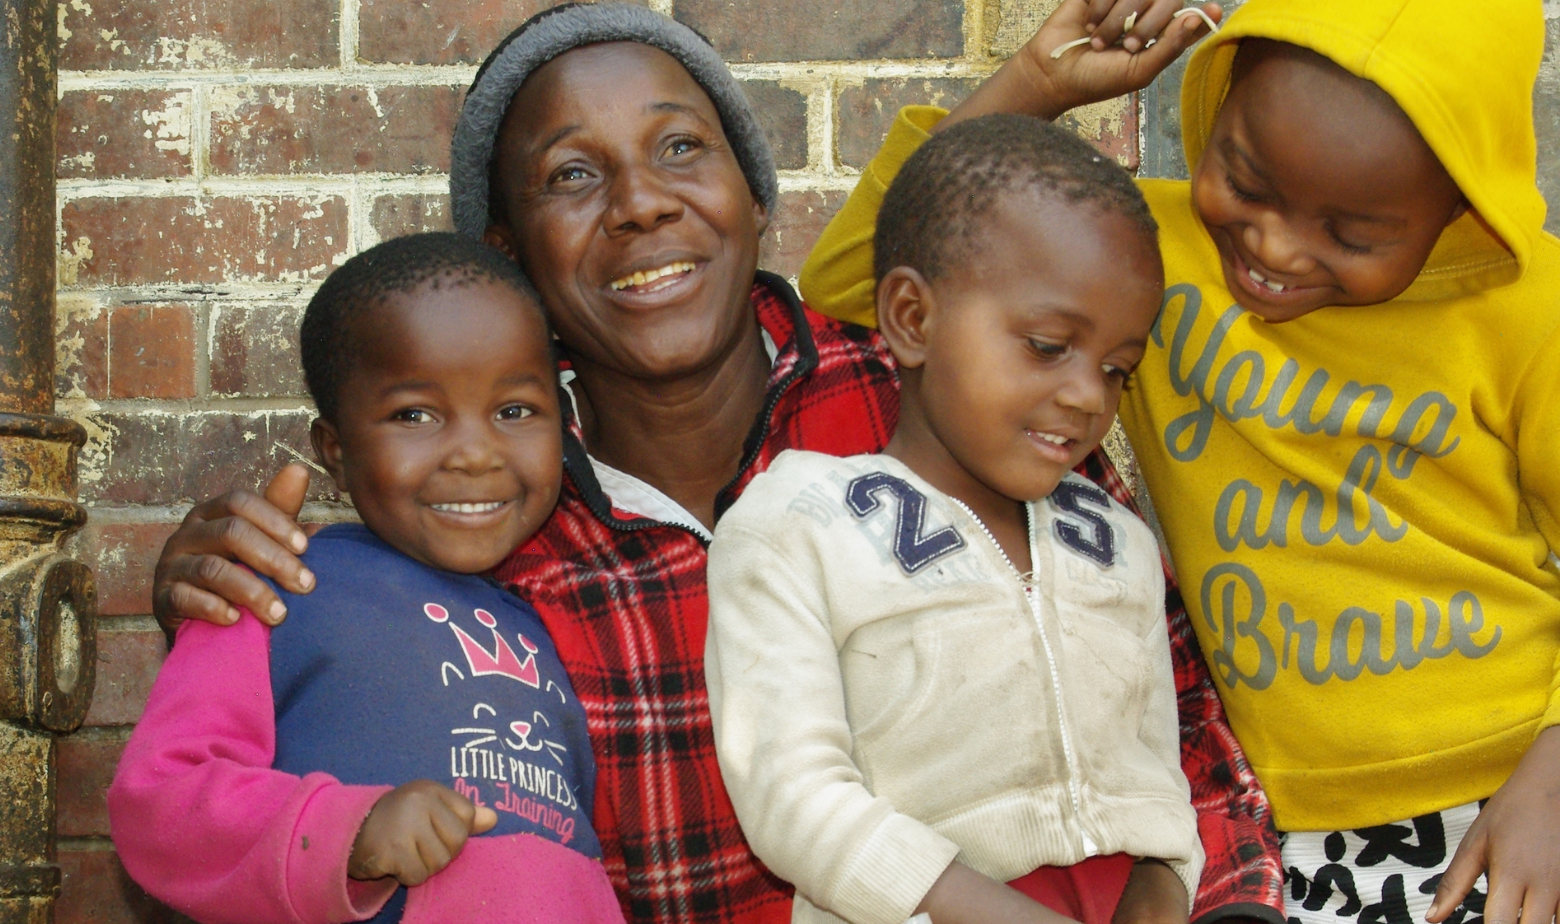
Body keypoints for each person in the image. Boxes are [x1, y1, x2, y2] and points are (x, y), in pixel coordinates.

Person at [140, 5, 1282, 924]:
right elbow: (284, 768)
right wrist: (219, 609)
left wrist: (1225, 908)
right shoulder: (478, 518)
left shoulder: (935, 400)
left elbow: (1165, 705)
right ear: (508, 258)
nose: (641, 203)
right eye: (570, 178)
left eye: (680, 149)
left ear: (750, 194)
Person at [798, 1, 1560, 923]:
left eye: (1353, 236)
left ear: (1460, 204)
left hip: (1512, 800)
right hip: (1275, 830)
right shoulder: (1146, 259)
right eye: (1245, 180)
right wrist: (1033, 86)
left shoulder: (1528, 314)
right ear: (1218, 101)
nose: (1275, 246)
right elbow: (850, 278)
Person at [707, 114, 1200, 924]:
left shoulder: (1121, 544)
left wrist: (1164, 887)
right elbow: (790, 796)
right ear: (912, 318)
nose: (1087, 396)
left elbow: (1159, 780)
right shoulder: (798, 525)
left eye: (1118, 369)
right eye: (1047, 345)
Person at [108, 233, 626, 924]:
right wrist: (348, 832)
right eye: (415, 415)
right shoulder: (274, 585)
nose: (475, 453)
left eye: (514, 411)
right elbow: (160, 805)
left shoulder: (549, 624)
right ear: (336, 450)